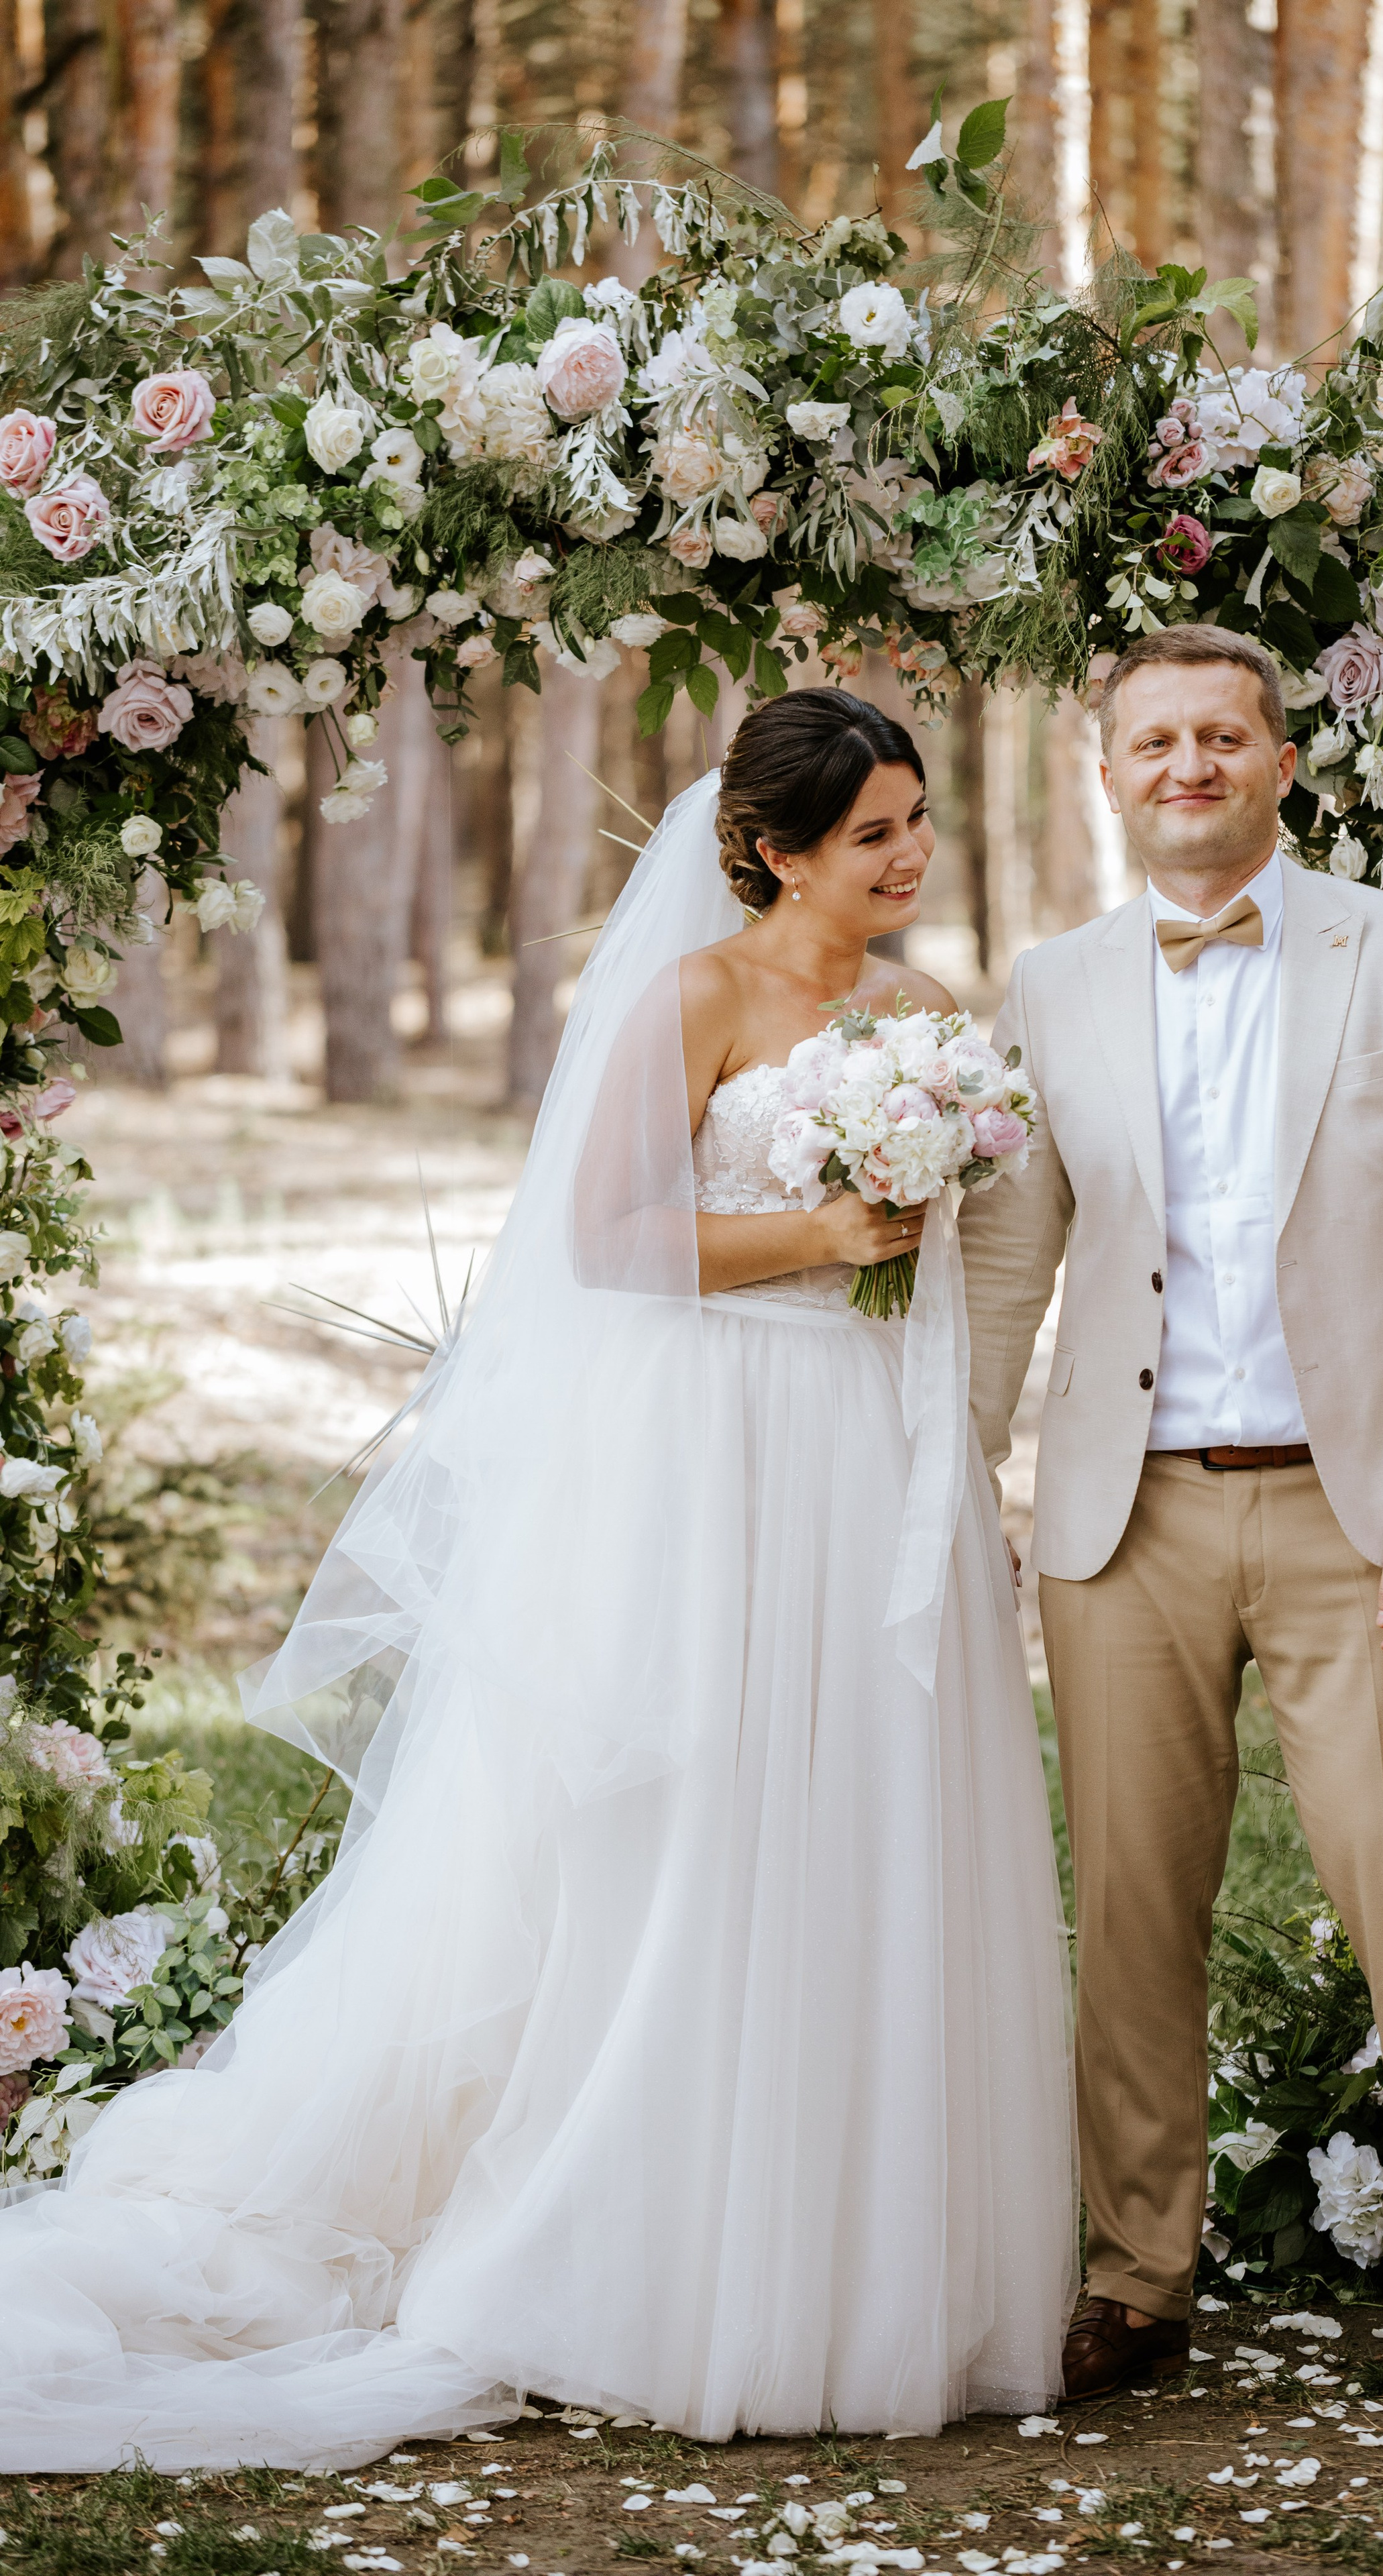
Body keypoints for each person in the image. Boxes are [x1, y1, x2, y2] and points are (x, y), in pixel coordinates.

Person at [0, 688, 1076, 2471]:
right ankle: (639, 2249)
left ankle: (852, 2267)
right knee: (699, 1836)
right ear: (776, 848)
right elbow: (604, 1241)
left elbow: (963, 1263)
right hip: (721, 1458)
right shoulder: (696, 998)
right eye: (874, 830)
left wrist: (951, 1453)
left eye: (917, 822)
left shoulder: (929, 1017)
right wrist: (825, 1230)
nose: (909, 858)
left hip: (871, 1463)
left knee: (858, 1834)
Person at [960, 629, 1383, 2426]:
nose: (1188, 764)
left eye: (1223, 734)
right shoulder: (1047, 990)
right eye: (1154, 742)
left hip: (1357, 1518)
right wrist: (954, 1485)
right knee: (1130, 1907)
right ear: (1110, 776)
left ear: (1284, 759)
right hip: (1120, 1524)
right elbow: (1005, 1265)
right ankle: (1136, 2279)